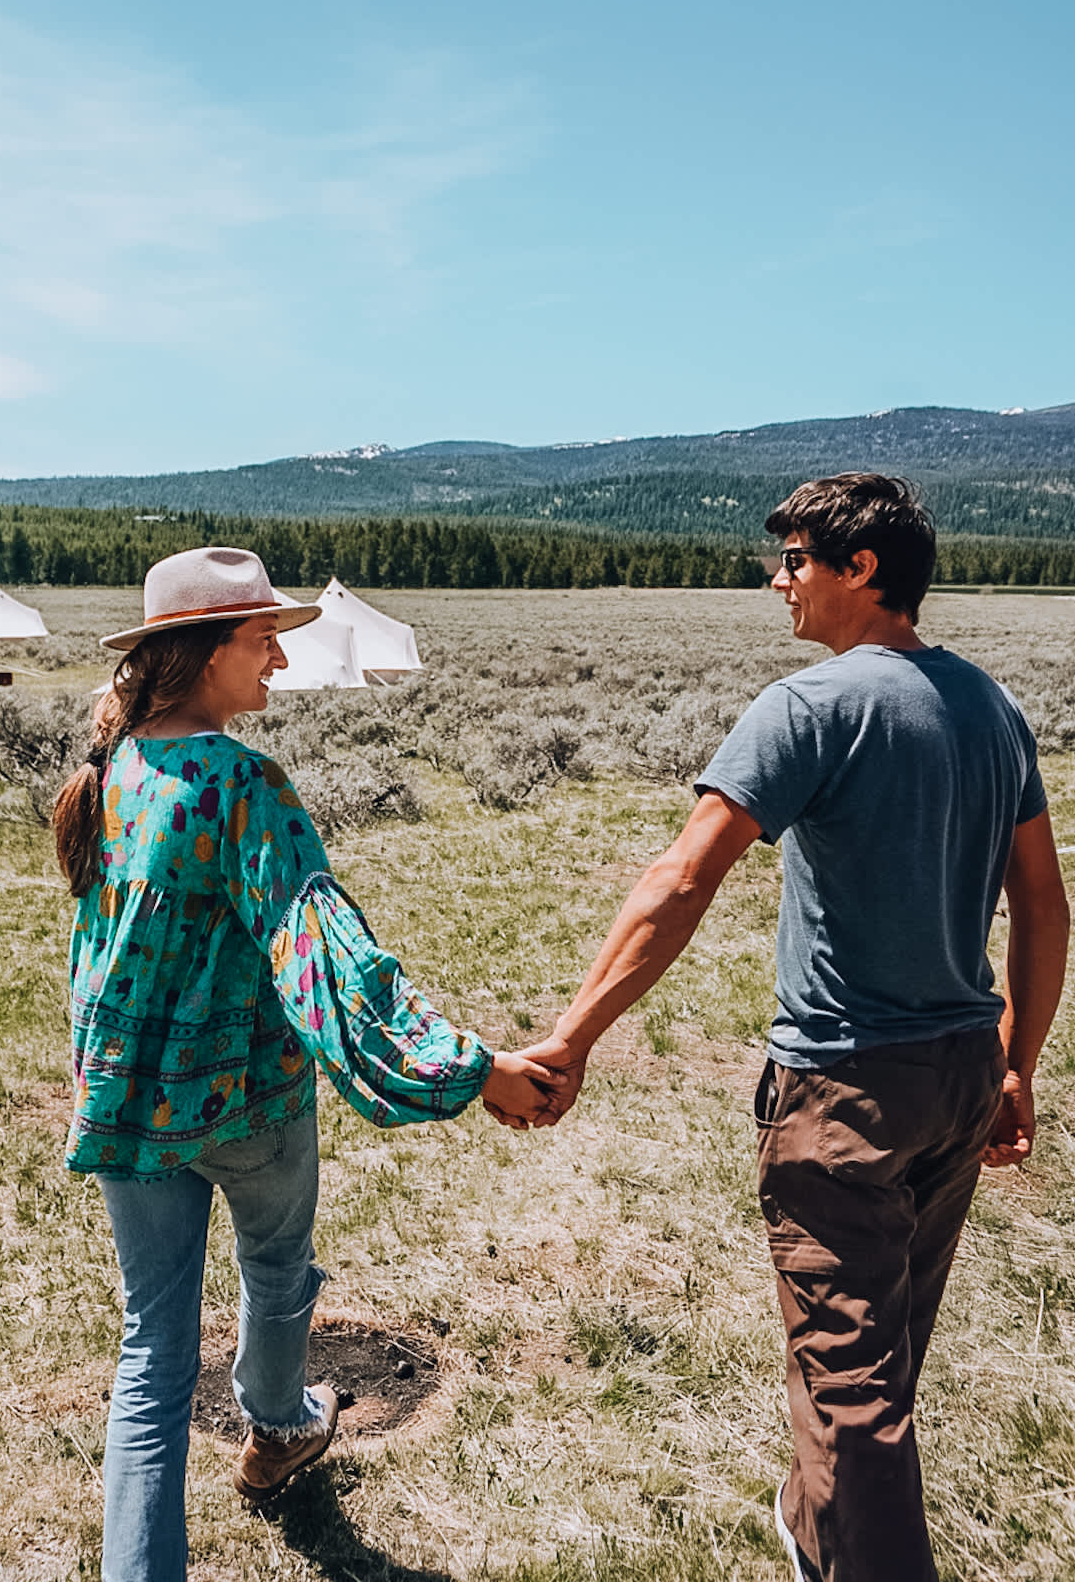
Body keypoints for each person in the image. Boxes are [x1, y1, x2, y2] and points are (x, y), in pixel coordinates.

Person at [522, 474, 1069, 1582]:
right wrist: (1015, 1064)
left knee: (851, 1383)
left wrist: (570, 1036)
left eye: (794, 561)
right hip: (958, 1077)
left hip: (843, 1091)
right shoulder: (990, 707)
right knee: (882, 1348)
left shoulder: (807, 707)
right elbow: (1043, 906)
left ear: (859, 569)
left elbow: (682, 879)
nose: (778, 583)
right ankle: (817, 1529)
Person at [52, 546, 550, 1582]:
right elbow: (327, 957)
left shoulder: (114, 767)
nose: (279, 657)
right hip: (247, 1099)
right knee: (275, 1268)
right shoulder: (242, 782)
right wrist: (472, 1070)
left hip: (128, 1100)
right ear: (204, 651)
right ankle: (279, 1427)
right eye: (262, 637)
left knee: (150, 1352)